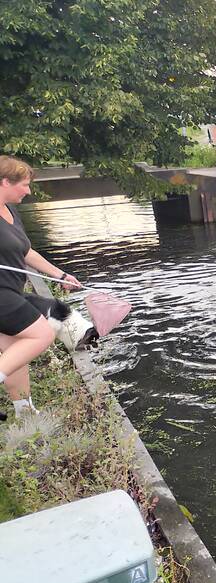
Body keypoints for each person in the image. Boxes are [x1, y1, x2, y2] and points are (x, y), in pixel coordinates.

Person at [0, 157, 84, 418]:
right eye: (24, 185)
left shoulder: (10, 211)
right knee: (42, 335)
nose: (28, 191)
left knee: (16, 352)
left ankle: (25, 413)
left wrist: (60, 275)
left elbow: (26, 251)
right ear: (4, 182)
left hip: (10, 290)